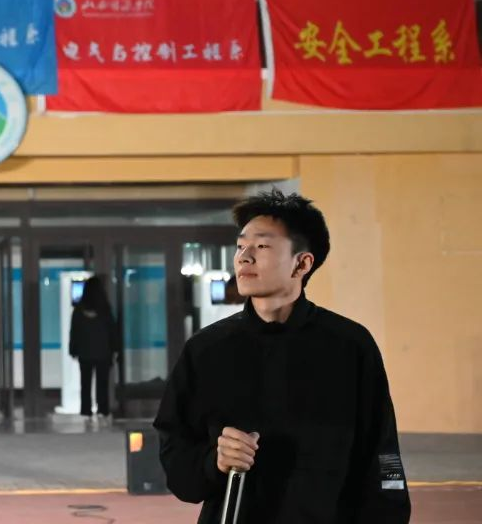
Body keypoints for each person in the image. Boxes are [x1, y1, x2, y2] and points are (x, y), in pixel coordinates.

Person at [154, 190, 410, 523]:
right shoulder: (206, 350)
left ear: (302, 263)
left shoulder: (350, 346)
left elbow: (383, 454)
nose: (244, 257)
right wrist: (214, 461)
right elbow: (175, 450)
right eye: (240, 246)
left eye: (261, 246)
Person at [68, 275, 116, 421]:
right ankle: (103, 409)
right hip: (103, 352)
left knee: (85, 383)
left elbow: (74, 332)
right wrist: (114, 349)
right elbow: (112, 331)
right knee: (102, 383)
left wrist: (73, 349)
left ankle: (86, 410)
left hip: (85, 352)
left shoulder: (79, 309)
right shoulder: (105, 309)